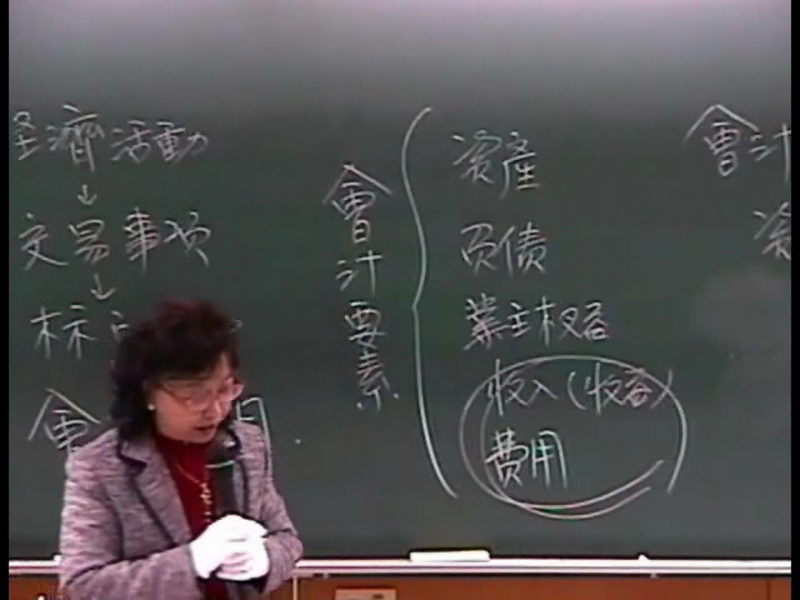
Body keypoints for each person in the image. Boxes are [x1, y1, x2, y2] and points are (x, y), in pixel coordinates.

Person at [58, 299, 303, 600]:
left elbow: (286, 539)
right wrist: (193, 561)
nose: (214, 410)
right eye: (194, 396)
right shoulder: (100, 467)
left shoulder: (246, 447)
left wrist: (265, 559)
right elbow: (83, 585)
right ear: (149, 393)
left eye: (225, 390)